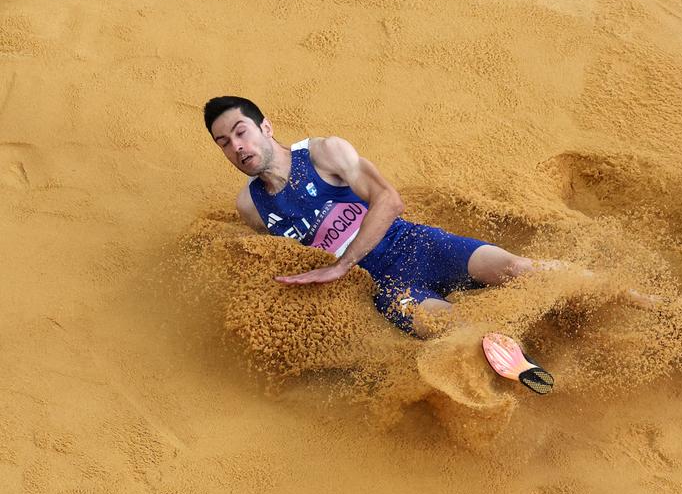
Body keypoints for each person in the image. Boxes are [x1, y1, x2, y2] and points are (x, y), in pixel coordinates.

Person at [203, 96, 659, 391]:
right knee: (447, 328)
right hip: (384, 289)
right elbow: (278, 261)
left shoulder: (324, 153)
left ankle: (625, 292)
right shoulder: (251, 207)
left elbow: (389, 200)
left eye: (241, 131)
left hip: (416, 245)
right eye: (224, 143)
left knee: (514, 269)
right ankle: (517, 360)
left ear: (265, 126)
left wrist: (343, 263)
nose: (236, 147)